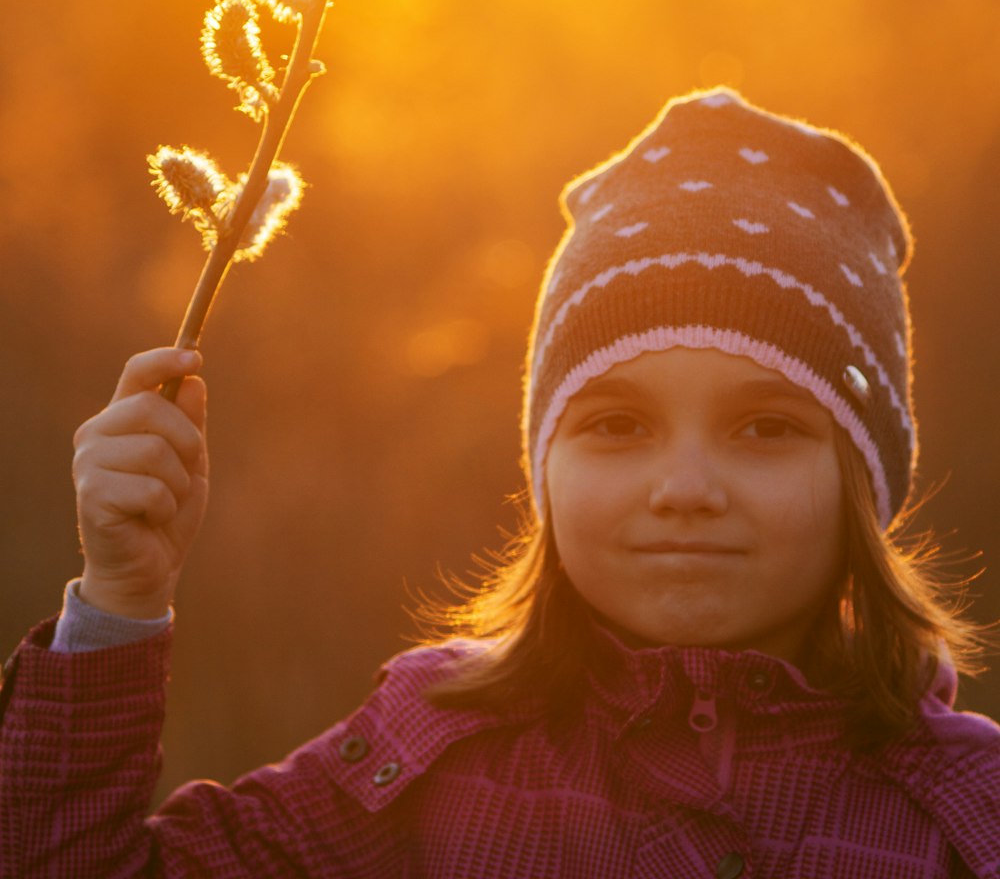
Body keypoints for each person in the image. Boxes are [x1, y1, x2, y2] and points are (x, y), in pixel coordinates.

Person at [1, 87, 998, 877]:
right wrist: (123, 602)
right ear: (543, 468)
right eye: (616, 424)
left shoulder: (963, 810)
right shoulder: (428, 756)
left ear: (864, 478)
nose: (685, 484)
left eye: (765, 427)